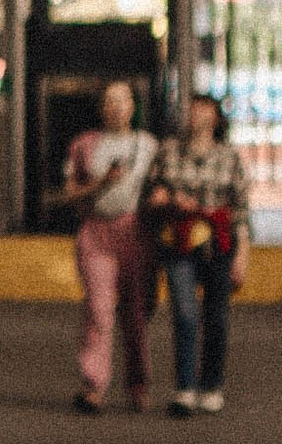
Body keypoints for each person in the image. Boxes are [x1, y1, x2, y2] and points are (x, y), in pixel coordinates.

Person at [147, 90, 251, 415]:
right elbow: (152, 191)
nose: (198, 115)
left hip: (218, 243)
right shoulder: (168, 151)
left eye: (205, 110)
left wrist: (242, 253)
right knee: (185, 312)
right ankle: (185, 386)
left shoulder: (229, 157)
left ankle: (212, 384)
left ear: (216, 118)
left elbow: (240, 209)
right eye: (193, 110)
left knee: (216, 316)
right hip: (179, 240)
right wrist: (164, 197)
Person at [65, 77, 157, 412]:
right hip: (95, 233)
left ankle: (138, 384)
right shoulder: (85, 145)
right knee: (98, 311)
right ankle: (93, 384)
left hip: (135, 234)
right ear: (101, 108)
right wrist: (101, 183)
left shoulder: (149, 146)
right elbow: (70, 191)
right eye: (109, 101)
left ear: (133, 107)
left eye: (122, 100)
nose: (116, 107)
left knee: (135, 313)